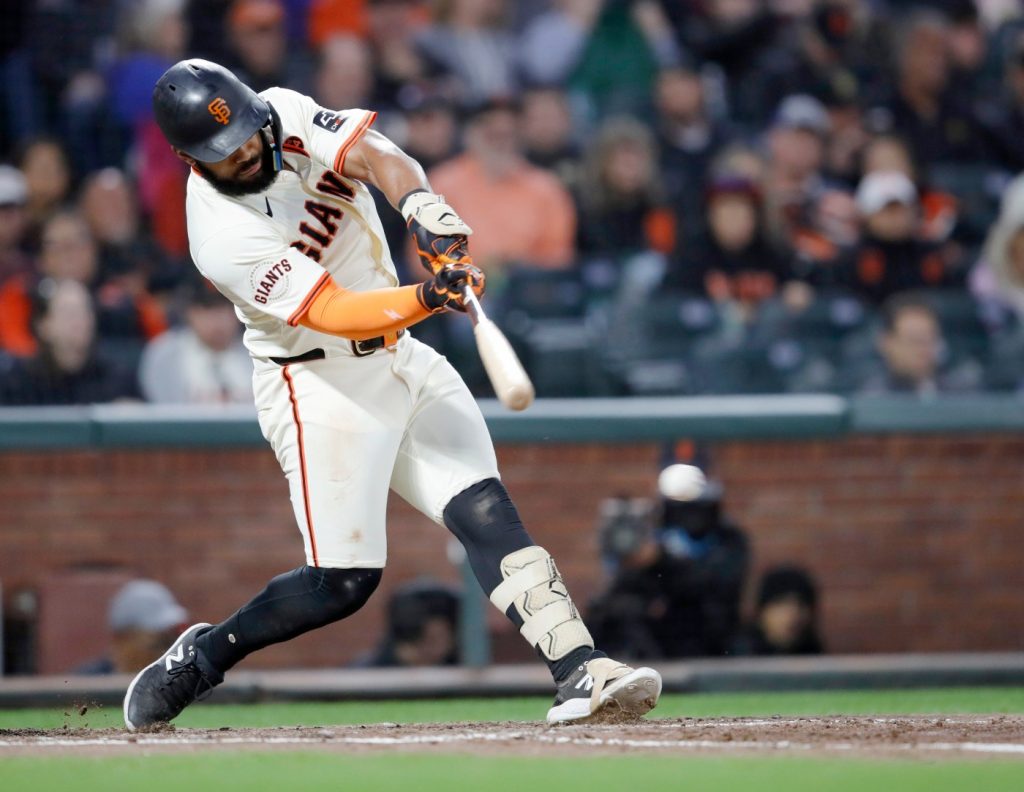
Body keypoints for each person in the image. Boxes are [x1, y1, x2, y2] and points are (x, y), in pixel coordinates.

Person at [122, 58, 660, 731]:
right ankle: (203, 656)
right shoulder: (219, 235)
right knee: (341, 584)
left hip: (401, 357)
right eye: (226, 155)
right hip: (318, 383)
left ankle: (580, 669)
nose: (249, 153)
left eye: (251, 136)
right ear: (190, 159)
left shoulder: (280, 111)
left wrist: (425, 212)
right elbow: (335, 311)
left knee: (485, 510)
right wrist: (430, 296)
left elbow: (375, 154)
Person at [587, 472, 748, 660]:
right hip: (650, 651)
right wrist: (635, 567)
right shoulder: (652, 537)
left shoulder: (726, 539)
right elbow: (606, 612)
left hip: (705, 647)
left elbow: (713, 587)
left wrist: (661, 559)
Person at [139, 278, 253, 403]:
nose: (217, 320)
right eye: (207, 311)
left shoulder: (260, 350)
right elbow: (160, 407)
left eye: (224, 310)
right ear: (190, 314)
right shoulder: (165, 353)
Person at [76, 580, 189, 675]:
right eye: (158, 640)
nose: (166, 649)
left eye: (171, 637)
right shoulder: (82, 688)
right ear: (122, 638)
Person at [355, 581, 461, 668]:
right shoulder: (366, 677)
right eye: (428, 640)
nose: (434, 650)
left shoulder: (460, 672)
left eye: (440, 639)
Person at [731, 566, 823, 656]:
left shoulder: (814, 657)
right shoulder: (736, 657)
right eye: (781, 603)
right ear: (762, 611)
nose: (793, 614)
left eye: (801, 605)